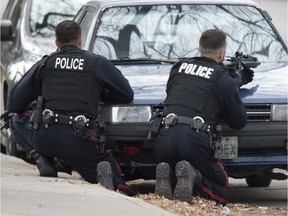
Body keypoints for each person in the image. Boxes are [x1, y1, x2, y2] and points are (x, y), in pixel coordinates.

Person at [7, 20, 134, 195]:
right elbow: (127, 94)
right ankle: (116, 184)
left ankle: (42, 157)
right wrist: (102, 95)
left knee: (14, 119)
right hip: (81, 141)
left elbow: (14, 104)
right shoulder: (96, 63)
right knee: (117, 186)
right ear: (80, 40)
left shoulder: (46, 63)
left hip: (46, 138)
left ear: (56, 42)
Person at [152, 29, 254, 204]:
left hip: (163, 136)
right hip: (193, 140)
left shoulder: (178, 68)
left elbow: (176, 93)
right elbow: (238, 122)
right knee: (221, 185)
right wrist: (234, 85)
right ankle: (194, 176)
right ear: (222, 53)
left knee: (178, 171)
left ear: (198, 48)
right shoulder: (223, 79)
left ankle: (168, 176)